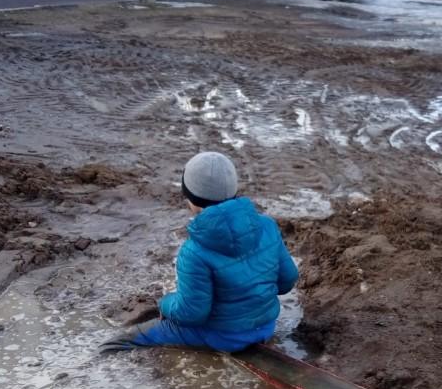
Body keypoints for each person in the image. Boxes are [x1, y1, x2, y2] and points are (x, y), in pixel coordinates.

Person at [101, 151, 298, 352]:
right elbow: (288, 279)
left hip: (221, 336)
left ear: (190, 198)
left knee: (118, 342)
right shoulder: (267, 225)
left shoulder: (194, 251)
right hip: (265, 327)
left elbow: (192, 314)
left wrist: (165, 303)